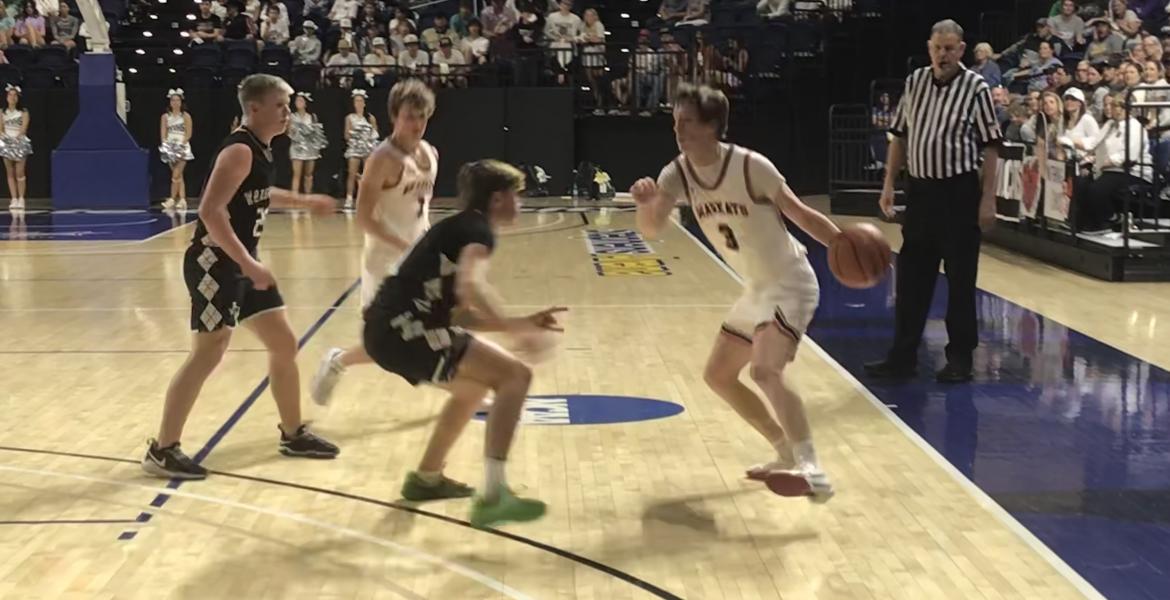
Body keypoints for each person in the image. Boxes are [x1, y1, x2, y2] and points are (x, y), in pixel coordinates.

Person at [629, 83, 840, 501]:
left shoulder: (750, 166)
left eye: (687, 122)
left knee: (765, 371)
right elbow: (651, 230)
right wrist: (645, 204)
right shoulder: (677, 173)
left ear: (712, 126)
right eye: (675, 122)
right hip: (757, 289)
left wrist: (842, 244)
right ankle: (783, 450)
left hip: (790, 282)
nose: (678, 130)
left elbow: (799, 213)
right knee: (719, 376)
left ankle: (812, 469)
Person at [141, 74, 340, 480]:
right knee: (209, 352)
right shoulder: (239, 150)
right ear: (254, 108)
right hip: (213, 263)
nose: (287, 113)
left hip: (240, 263)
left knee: (283, 342)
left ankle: (292, 433)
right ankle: (162, 449)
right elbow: (210, 211)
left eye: (288, 105)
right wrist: (248, 264)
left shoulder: (259, 150)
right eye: (280, 105)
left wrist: (304, 201)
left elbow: (259, 194)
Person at [361, 159, 565, 527]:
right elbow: (470, 286)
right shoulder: (478, 231)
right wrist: (516, 331)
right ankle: (495, 496)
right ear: (498, 199)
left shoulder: (458, 228)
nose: (520, 202)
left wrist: (518, 322)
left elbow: (460, 318)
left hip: (390, 330)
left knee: (472, 390)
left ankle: (426, 478)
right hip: (405, 330)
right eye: (516, 195)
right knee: (516, 376)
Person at [866, 19, 1001, 384]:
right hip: (921, 193)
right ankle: (902, 356)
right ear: (929, 48)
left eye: (950, 48)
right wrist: (889, 183)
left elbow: (991, 146)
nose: (943, 54)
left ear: (961, 50)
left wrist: (988, 199)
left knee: (960, 280)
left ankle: (960, 358)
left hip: (959, 193)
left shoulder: (976, 87)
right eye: (937, 48)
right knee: (911, 279)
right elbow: (899, 136)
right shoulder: (915, 82)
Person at [311, 80, 439, 406]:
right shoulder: (382, 158)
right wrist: (406, 247)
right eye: (409, 116)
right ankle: (338, 360)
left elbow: (419, 210)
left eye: (422, 116)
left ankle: (465, 393)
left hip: (419, 259)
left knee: (437, 327)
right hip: (387, 262)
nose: (417, 124)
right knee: (388, 343)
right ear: (394, 116)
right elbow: (364, 218)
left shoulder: (430, 153)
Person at [160, 89, 194, 211]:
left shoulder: (186, 116)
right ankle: (182, 199)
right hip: (170, 147)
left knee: (176, 175)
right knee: (178, 176)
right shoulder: (165, 117)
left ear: (181, 102)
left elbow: (188, 133)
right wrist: (166, 146)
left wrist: (181, 145)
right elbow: (163, 133)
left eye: (177, 100)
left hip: (182, 147)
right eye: (173, 100)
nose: (175, 103)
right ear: (170, 102)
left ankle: (172, 199)